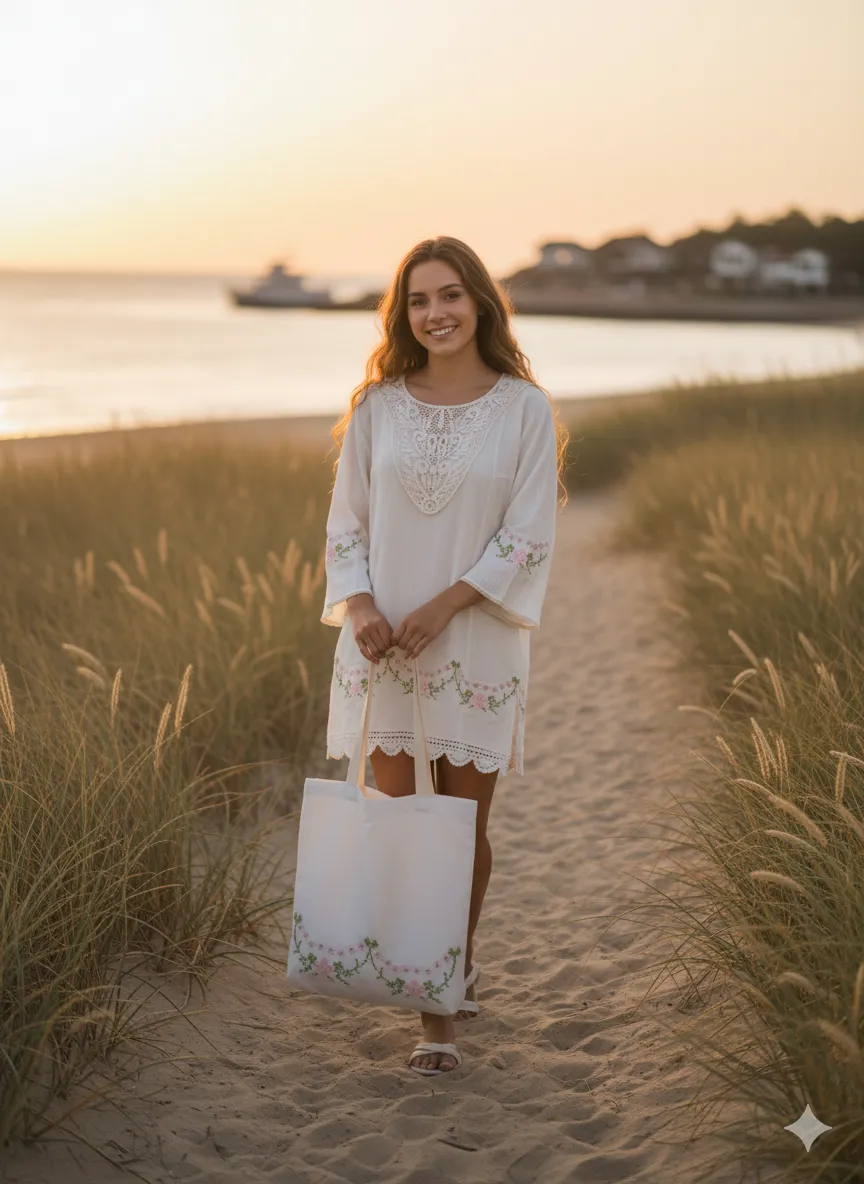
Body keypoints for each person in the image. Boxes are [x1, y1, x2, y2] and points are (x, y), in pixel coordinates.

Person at [321, 235, 569, 1074]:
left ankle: (443, 993)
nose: (437, 313)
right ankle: (430, 979)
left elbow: (530, 535)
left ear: (482, 304)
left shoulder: (525, 408)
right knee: (398, 824)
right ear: (403, 314)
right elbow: (345, 522)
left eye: (452, 295)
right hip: (382, 644)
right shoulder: (378, 407)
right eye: (420, 300)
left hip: (477, 637)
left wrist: (447, 602)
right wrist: (360, 603)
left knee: (459, 828)